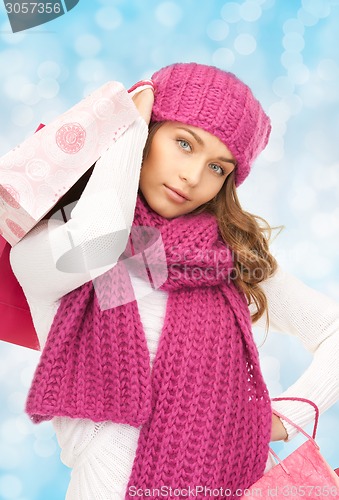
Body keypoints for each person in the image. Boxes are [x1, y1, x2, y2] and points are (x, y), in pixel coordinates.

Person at [10, 62, 339, 499]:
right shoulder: (50, 251)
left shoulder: (227, 260)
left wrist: (282, 415)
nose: (193, 176)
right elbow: (101, 237)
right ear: (147, 134)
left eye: (218, 168)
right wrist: (125, 120)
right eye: (184, 143)